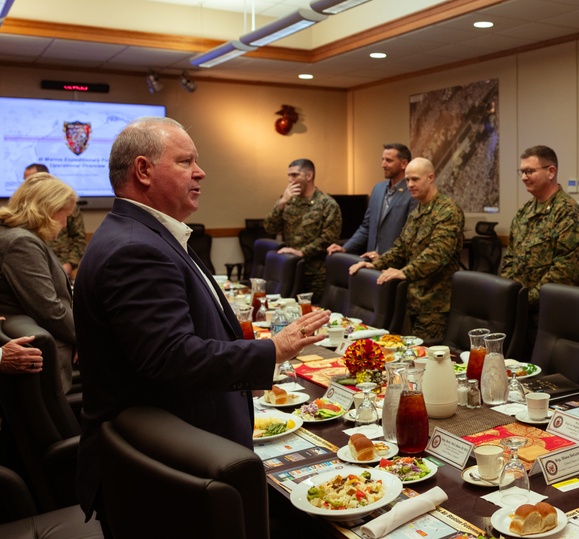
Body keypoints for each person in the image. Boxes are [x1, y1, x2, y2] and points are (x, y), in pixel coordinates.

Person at [73, 117, 329, 525]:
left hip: (179, 452)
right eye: (186, 161)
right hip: (168, 476)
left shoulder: (146, 234)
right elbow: (171, 358)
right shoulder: (136, 249)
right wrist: (273, 350)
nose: (201, 171)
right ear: (143, 170)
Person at [350, 158, 463, 340]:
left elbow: (437, 254)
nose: (410, 184)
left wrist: (404, 272)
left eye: (415, 179)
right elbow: (400, 247)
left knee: (426, 358)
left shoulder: (448, 211)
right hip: (411, 300)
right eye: (408, 180)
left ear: (431, 177)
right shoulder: (417, 212)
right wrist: (375, 264)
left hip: (434, 304)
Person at [0, 172, 77, 391]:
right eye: (64, 216)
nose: (64, 224)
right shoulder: (21, 242)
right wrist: (84, 339)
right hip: (45, 363)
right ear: (48, 210)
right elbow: (49, 309)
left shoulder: (17, 236)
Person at [500, 146, 579, 306]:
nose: (523, 177)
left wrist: (523, 300)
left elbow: (564, 274)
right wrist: (507, 292)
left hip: (551, 314)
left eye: (529, 171)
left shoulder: (569, 213)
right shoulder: (525, 211)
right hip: (519, 309)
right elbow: (510, 258)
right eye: (522, 172)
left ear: (551, 172)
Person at [263, 158, 342, 296]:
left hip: (314, 274)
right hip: (290, 270)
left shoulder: (327, 204)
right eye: (288, 175)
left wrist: (302, 252)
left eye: (294, 175)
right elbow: (269, 228)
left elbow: (329, 238)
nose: (290, 180)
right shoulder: (289, 201)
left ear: (309, 176)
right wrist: (281, 203)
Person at [327, 143, 416, 260]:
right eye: (382, 159)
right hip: (370, 263)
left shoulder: (412, 192)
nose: (383, 164)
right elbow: (366, 227)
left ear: (404, 164)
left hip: (395, 267)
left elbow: (411, 236)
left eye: (388, 160)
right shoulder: (378, 189)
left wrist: (386, 259)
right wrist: (345, 248)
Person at [23, 163, 87, 278]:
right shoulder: (24, 210)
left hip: (61, 268)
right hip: (34, 270)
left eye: (31, 181)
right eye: (25, 181)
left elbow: (79, 238)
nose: (26, 186)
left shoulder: (66, 205)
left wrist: (69, 264)